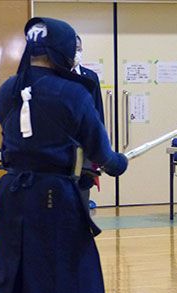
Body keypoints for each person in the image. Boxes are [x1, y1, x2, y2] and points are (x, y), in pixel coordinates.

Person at [0, 17, 128, 293]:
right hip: (53, 193)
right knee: (76, 268)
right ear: (60, 49)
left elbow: (10, 128)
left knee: (7, 269)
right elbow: (102, 153)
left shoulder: (8, 89)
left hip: (11, 190)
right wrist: (118, 163)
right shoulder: (74, 91)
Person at [73, 35, 105, 207]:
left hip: (86, 146)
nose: (76, 53)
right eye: (73, 49)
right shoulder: (55, 77)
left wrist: (100, 145)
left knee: (83, 192)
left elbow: (98, 112)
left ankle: (82, 230)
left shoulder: (90, 77)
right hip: (63, 147)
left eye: (79, 49)